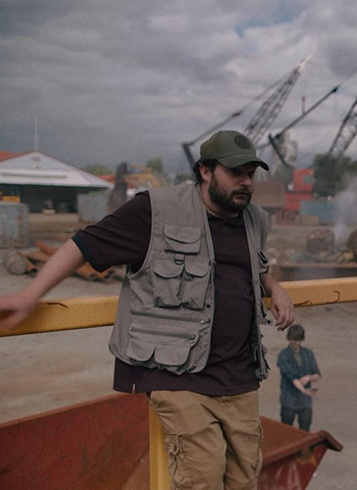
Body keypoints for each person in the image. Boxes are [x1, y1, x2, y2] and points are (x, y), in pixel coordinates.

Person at [0, 129, 295, 489]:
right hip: (178, 374)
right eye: (235, 172)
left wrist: (273, 286)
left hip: (240, 374)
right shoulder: (155, 210)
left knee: (245, 479)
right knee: (202, 477)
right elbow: (83, 245)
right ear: (205, 171)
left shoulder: (255, 219)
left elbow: (252, 265)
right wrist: (29, 295)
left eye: (250, 173)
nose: (246, 182)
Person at [277, 323, 321, 431]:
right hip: (288, 399)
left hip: (305, 402)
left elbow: (317, 375)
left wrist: (308, 378)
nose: (297, 343)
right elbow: (292, 377)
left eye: (299, 340)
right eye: (294, 340)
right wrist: (304, 390)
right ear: (289, 338)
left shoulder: (308, 354)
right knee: (286, 431)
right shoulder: (283, 356)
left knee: (305, 431)